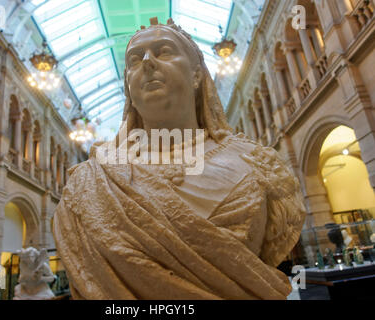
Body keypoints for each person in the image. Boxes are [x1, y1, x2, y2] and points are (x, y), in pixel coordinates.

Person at [53, 18, 306, 300]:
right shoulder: (89, 183)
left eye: (164, 51)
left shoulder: (256, 163)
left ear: (197, 76)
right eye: (134, 60)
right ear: (128, 88)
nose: (147, 62)